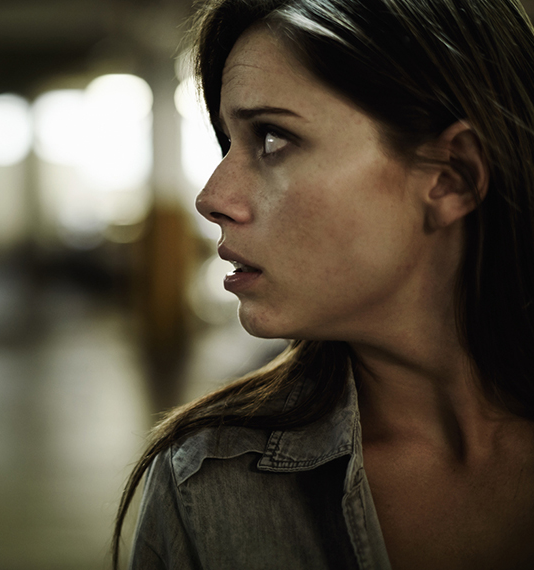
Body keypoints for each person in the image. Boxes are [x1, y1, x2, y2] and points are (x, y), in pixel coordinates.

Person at [113, 0, 534, 568]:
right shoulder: (210, 480)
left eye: (272, 139)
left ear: (450, 176)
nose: (212, 198)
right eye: (225, 144)